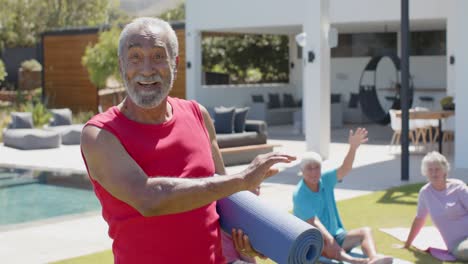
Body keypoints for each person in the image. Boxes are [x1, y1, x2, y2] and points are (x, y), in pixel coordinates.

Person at [80, 17, 295, 264]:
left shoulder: (198, 115)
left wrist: (253, 239)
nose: (147, 69)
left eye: (159, 56)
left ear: (175, 63)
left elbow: (225, 201)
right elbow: (149, 198)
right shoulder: (99, 134)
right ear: (121, 66)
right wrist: (242, 179)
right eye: (135, 57)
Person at [293, 128, 393, 264]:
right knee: (328, 245)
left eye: (316, 167)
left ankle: (373, 258)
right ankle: (358, 262)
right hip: (315, 241)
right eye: (309, 168)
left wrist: (353, 148)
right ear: (302, 171)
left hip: (337, 235)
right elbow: (314, 222)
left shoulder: (325, 179)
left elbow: (345, 169)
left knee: (365, 231)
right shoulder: (299, 194)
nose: (314, 172)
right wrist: (330, 240)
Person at [404, 151, 468, 261]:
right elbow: (419, 219)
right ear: (425, 172)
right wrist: (407, 244)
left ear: (444, 170)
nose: (434, 173)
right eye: (430, 170)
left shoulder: (458, 187)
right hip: (458, 244)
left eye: (437, 169)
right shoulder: (425, 193)